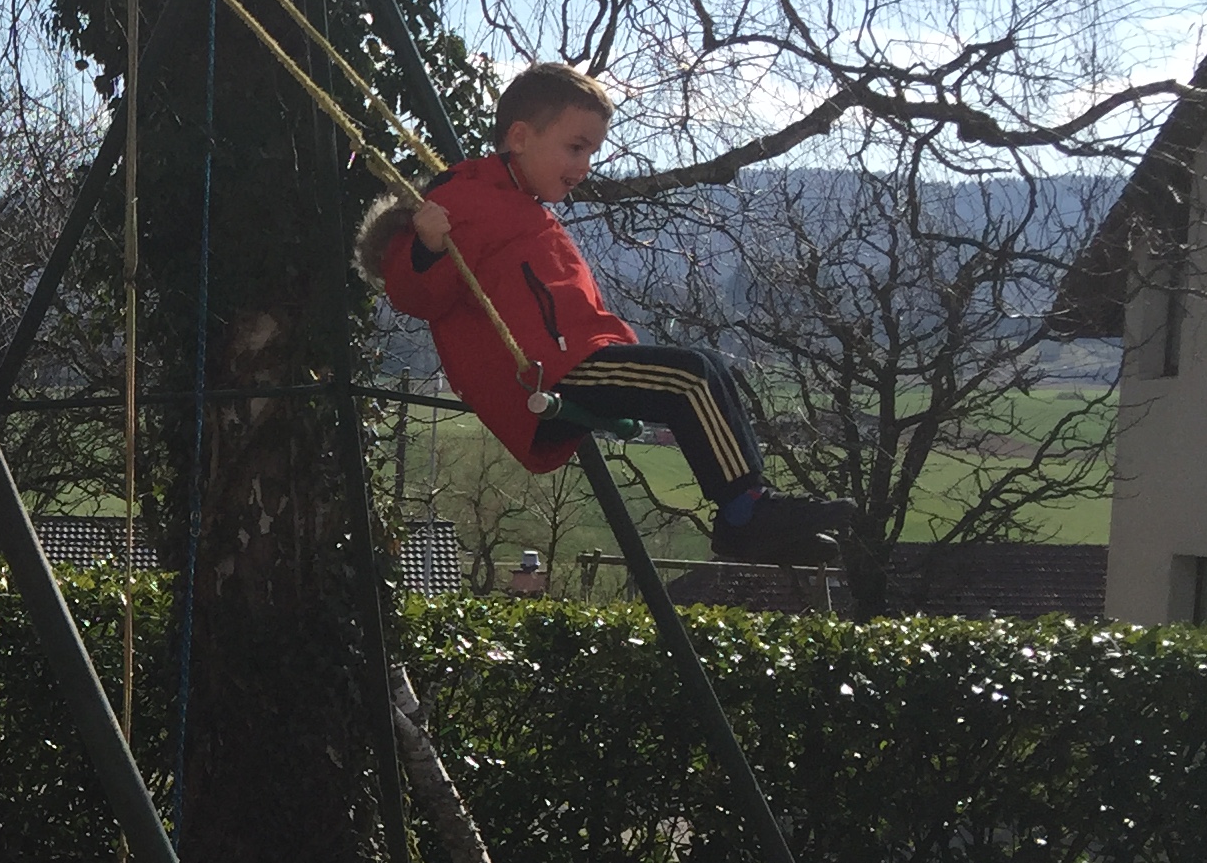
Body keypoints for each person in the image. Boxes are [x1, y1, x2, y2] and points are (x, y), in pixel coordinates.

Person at [357, 61, 855, 565]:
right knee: (691, 376)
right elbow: (414, 297)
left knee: (708, 367)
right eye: (576, 148)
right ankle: (745, 515)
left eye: (592, 153)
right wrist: (428, 246)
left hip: (578, 359)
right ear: (521, 137)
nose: (584, 167)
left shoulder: (524, 206)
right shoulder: (464, 200)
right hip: (543, 376)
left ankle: (749, 511)